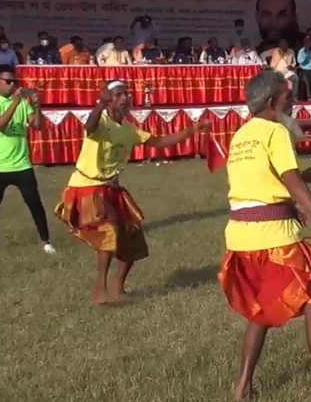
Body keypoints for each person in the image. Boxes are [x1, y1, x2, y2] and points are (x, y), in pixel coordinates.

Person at [218, 69, 311, 402]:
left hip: (240, 238)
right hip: (273, 239)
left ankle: (242, 387)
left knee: (261, 307)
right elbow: (290, 180)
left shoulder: (242, 135)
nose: (293, 104)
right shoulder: (276, 130)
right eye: (288, 98)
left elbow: (260, 184)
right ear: (271, 103)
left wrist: (302, 186)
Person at [53, 81, 207, 302]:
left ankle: (118, 289)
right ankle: (99, 288)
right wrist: (99, 105)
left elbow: (160, 141)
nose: (125, 98)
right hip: (86, 187)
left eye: (127, 94)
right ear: (109, 100)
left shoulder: (129, 129)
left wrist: (192, 130)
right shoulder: (100, 121)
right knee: (109, 228)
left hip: (110, 188)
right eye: (118, 95)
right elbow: (89, 127)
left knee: (132, 234)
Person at [0, 65, 54, 255]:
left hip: (22, 164)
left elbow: (37, 126)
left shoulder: (22, 103)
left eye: (15, 82)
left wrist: (36, 105)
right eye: (8, 81)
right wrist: (15, 103)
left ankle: (46, 242)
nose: (12, 85)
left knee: (35, 204)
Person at [296, 35, 311, 101]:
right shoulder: (302, 51)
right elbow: (299, 61)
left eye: (310, 42)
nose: (309, 44)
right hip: (304, 70)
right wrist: (306, 53)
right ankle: (309, 98)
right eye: (307, 43)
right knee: (306, 81)